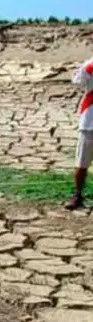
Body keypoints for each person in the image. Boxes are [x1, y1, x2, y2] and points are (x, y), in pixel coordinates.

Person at [65, 57, 93, 210]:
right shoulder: (90, 65)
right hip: (90, 122)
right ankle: (77, 195)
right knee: (81, 163)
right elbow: (78, 80)